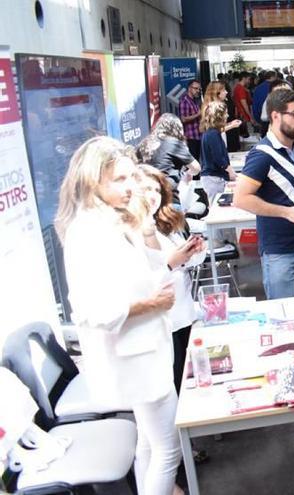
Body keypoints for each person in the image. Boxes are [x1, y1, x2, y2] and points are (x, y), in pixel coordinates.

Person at [55, 136, 183, 495]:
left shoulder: (111, 222)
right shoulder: (89, 232)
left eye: (131, 178)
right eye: (120, 180)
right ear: (93, 180)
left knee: (148, 443)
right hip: (135, 357)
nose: (131, 188)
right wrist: (150, 305)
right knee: (166, 450)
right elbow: (91, 311)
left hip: (143, 351)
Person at [233, 89, 294, 299]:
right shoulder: (261, 155)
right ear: (275, 116)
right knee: (284, 319)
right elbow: (240, 198)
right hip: (280, 252)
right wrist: (287, 212)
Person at [137, 164, 206, 392]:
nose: (152, 196)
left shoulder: (165, 221)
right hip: (163, 322)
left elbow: (183, 262)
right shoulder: (130, 232)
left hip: (184, 313)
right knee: (175, 384)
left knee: (188, 378)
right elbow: (145, 283)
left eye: (156, 190)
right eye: (146, 190)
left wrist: (191, 253)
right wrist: (172, 263)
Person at [135, 113, 201, 208]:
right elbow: (196, 168)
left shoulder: (143, 144)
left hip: (147, 199)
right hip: (169, 197)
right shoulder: (173, 143)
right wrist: (187, 174)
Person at [199, 101, 237, 202]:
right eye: (225, 113)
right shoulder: (213, 134)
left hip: (213, 177)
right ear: (219, 116)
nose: (227, 115)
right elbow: (218, 157)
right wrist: (231, 171)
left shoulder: (211, 132)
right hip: (213, 178)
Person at [178, 79, 202, 160]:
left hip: (197, 135)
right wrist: (198, 114)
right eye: (196, 88)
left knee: (197, 161)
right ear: (189, 88)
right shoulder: (184, 101)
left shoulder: (194, 100)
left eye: (199, 89)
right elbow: (183, 119)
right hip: (190, 137)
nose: (198, 91)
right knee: (193, 163)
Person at [251, 71, 278, 135]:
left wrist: (256, 117)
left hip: (261, 117)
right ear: (272, 77)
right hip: (273, 117)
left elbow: (254, 104)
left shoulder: (258, 88)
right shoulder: (274, 88)